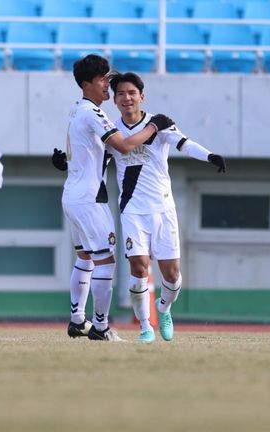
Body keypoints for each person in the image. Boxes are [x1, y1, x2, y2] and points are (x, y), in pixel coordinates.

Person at [57, 55, 175, 341]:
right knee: (105, 261)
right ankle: (101, 327)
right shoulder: (93, 113)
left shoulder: (77, 109)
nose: (108, 84)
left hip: (73, 193)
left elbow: (91, 151)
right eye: (102, 80)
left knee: (85, 257)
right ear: (87, 84)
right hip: (89, 198)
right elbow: (122, 146)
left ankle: (77, 320)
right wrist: (153, 127)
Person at [107, 72, 226, 342]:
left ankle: (164, 309)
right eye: (121, 94)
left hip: (163, 209)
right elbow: (95, 159)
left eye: (131, 93)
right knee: (138, 266)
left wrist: (209, 156)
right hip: (132, 209)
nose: (127, 98)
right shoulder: (111, 132)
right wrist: (67, 164)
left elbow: (184, 143)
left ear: (141, 96)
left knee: (171, 275)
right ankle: (145, 326)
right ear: (115, 100)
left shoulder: (160, 124)